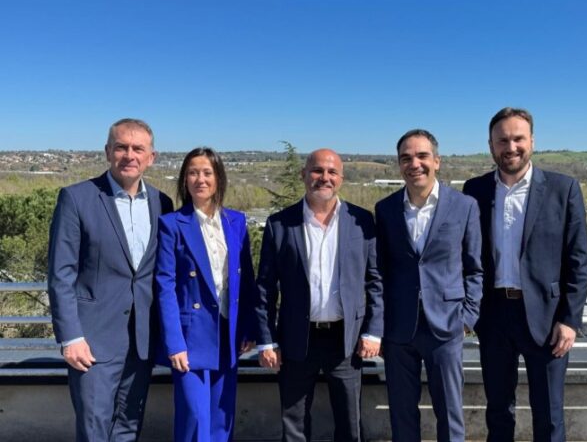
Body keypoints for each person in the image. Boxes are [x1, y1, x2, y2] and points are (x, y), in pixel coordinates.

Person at [463, 107, 587, 441]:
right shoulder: (474, 190)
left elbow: (578, 260)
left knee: (549, 415)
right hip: (493, 316)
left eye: (518, 138)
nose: (511, 147)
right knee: (498, 412)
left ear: (532, 141)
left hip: (547, 319)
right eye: (502, 140)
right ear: (490, 145)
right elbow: (465, 255)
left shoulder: (563, 188)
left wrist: (570, 320)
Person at [47, 118, 173, 441]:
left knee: (129, 427)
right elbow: (61, 274)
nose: (129, 155)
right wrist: (70, 337)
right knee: (94, 429)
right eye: (121, 147)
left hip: (142, 340)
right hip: (92, 342)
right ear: (107, 152)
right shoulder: (77, 198)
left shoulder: (162, 203)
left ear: (151, 157)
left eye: (138, 149)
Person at [255, 148, 383, 442]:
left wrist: (373, 331)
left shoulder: (362, 221)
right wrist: (267, 339)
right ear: (304, 175)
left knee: (350, 423)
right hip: (296, 338)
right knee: (294, 423)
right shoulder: (280, 224)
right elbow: (265, 287)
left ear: (341, 178)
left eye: (332, 172)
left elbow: (376, 281)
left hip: (346, 340)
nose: (324, 177)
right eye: (317, 170)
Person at [375, 129, 483, 442]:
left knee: (450, 413)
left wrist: (467, 318)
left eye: (422, 156)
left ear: (437, 161)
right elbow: (379, 271)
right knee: (402, 413)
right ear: (399, 164)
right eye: (406, 158)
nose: (414, 164)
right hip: (398, 328)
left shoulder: (464, 206)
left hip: (447, 326)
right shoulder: (385, 209)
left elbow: (475, 268)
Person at [155, 147, 258, 442]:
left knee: (221, 419)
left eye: (207, 173)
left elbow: (246, 280)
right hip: (190, 335)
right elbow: (165, 286)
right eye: (193, 173)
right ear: (184, 180)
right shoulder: (172, 224)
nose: (200, 179)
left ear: (218, 178)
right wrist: (174, 342)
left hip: (228, 332)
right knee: (194, 417)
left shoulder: (236, 221)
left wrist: (249, 327)